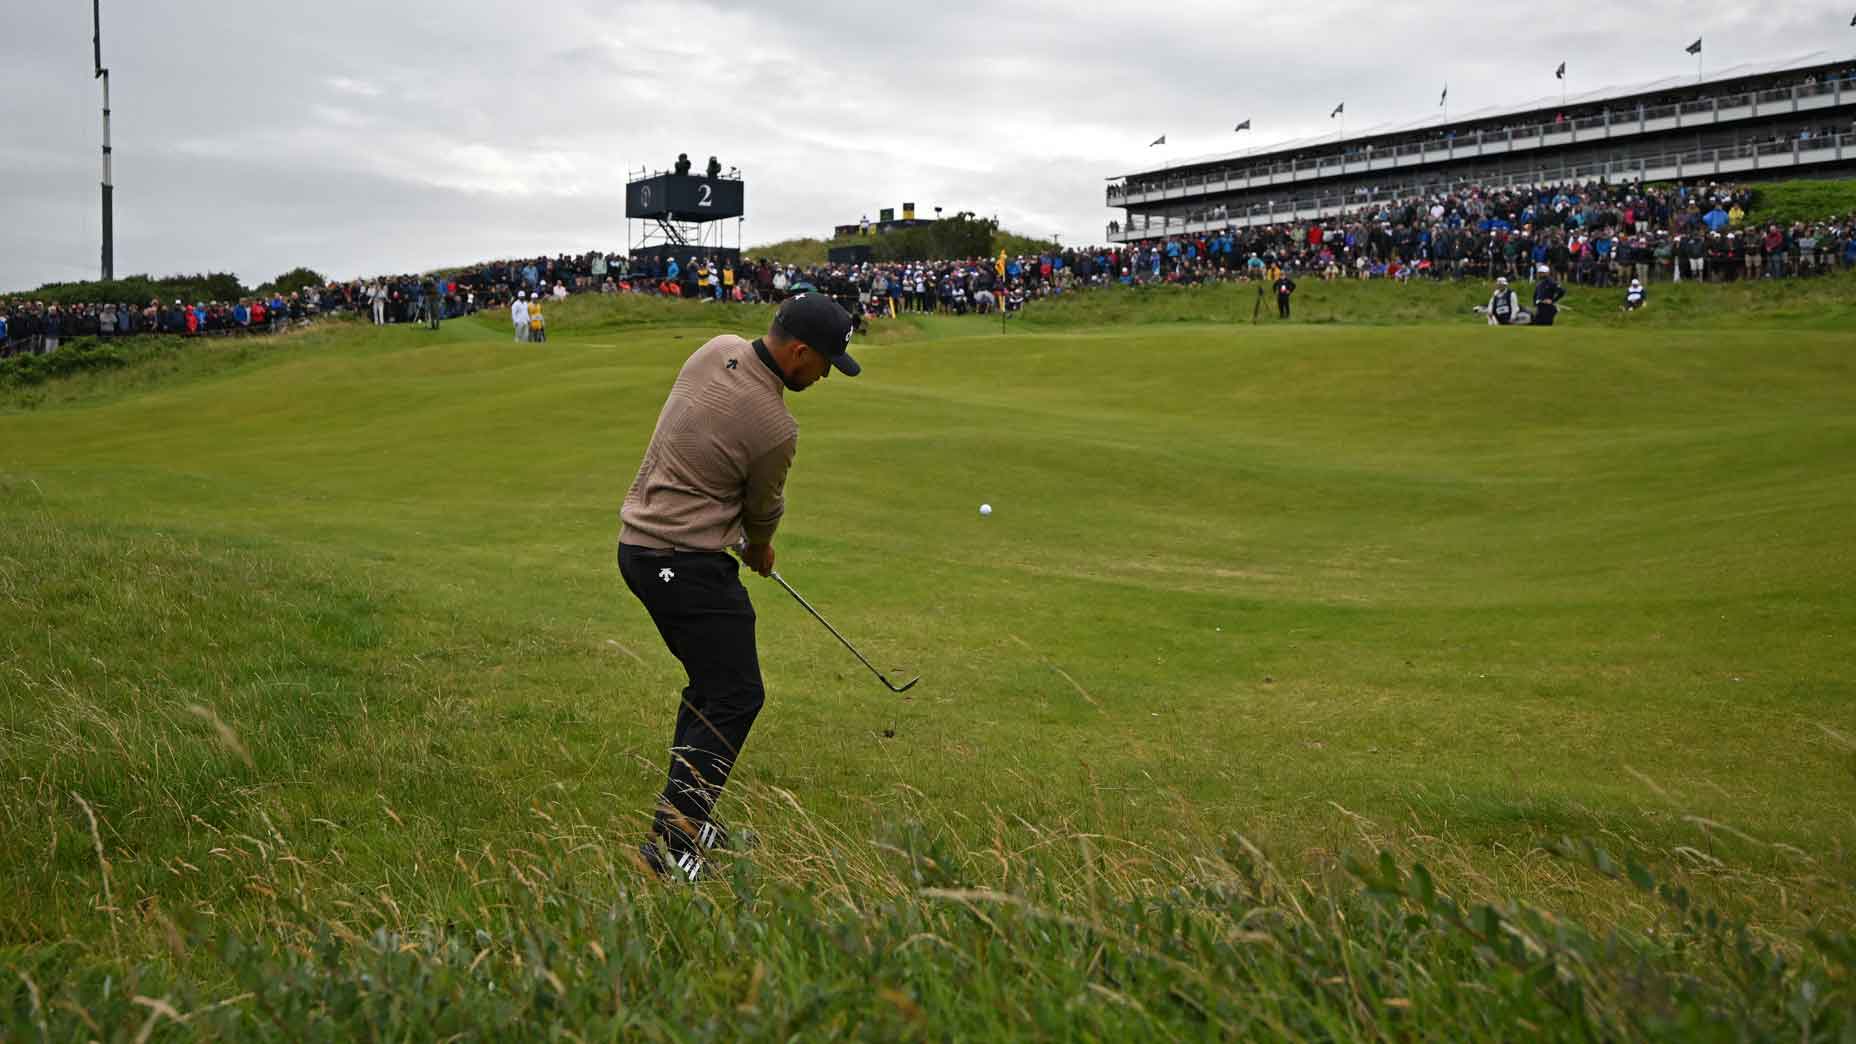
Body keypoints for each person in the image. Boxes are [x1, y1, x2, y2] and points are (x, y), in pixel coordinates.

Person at [616, 293, 862, 882]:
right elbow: (763, 508)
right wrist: (759, 548)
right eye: (825, 363)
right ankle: (670, 848)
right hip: (682, 561)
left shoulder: (716, 348)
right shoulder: (776, 426)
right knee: (735, 695)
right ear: (798, 351)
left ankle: (685, 819)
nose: (825, 375)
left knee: (711, 688)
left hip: (639, 549)